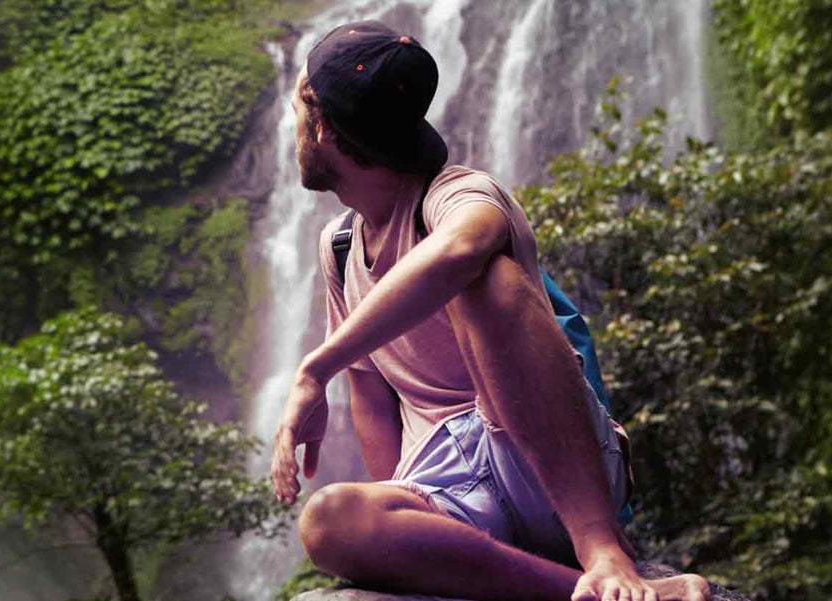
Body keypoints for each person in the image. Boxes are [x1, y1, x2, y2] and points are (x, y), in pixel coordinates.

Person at [268, 21, 711, 601]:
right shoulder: (339, 247)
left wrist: (312, 370)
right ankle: (588, 591)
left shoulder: (456, 193)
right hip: (451, 489)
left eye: (299, 110)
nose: (292, 126)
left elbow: (466, 245)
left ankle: (603, 550)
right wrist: (407, 511)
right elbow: (371, 398)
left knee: (490, 282)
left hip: (542, 461)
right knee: (327, 522)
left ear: (322, 125)